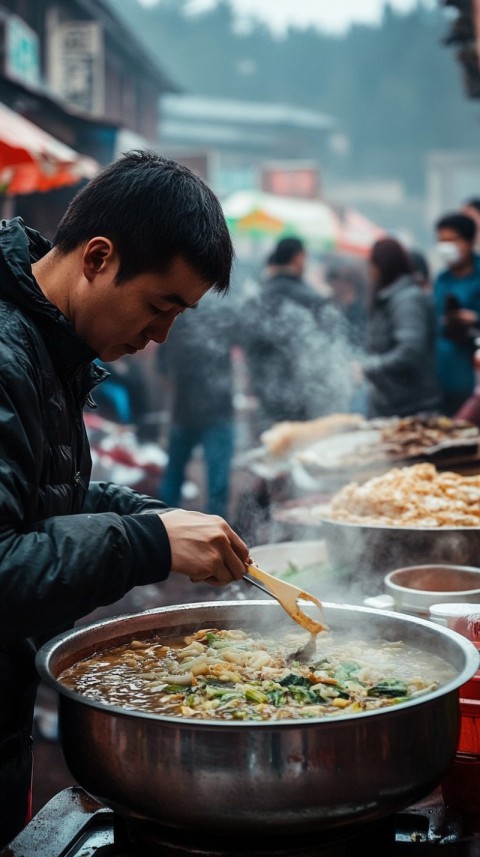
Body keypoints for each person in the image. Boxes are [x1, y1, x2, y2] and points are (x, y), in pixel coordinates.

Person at [0, 150, 251, 848]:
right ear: (98, 257)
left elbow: (39, 498)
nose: (160, 337)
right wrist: (147, 544)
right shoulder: (6, 351)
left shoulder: (46, 343)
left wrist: (152, 514)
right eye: (159, 305)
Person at [240, 236, 352, 435]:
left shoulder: (258, 299)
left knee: (272, 450)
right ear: (299, 258)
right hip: (306, 397)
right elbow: (330, 350)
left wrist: (257, 385)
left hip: (267, 396)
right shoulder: (314, 299)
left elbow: (249, 347)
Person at [157, 291, 236, 519]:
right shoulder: (219, 318)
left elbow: (162, 373)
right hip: (205, 414)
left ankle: (164, 524)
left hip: (196, 412)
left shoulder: (177, 320)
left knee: (176, 478)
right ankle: (213, 529)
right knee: (214, 483)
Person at [352, 236, 441, 418]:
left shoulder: (407, 299)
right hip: (392, 404)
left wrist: (368, 367)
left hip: (411, 407)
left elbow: (409, 351)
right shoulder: (390, 298)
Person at [433, 212, 480, 416]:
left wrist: (475, 319)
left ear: (469, 242)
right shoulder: (441, 279)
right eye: (441, 241)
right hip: (442, 377)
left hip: (473, 378)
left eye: (451, 240)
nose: (446, 247)